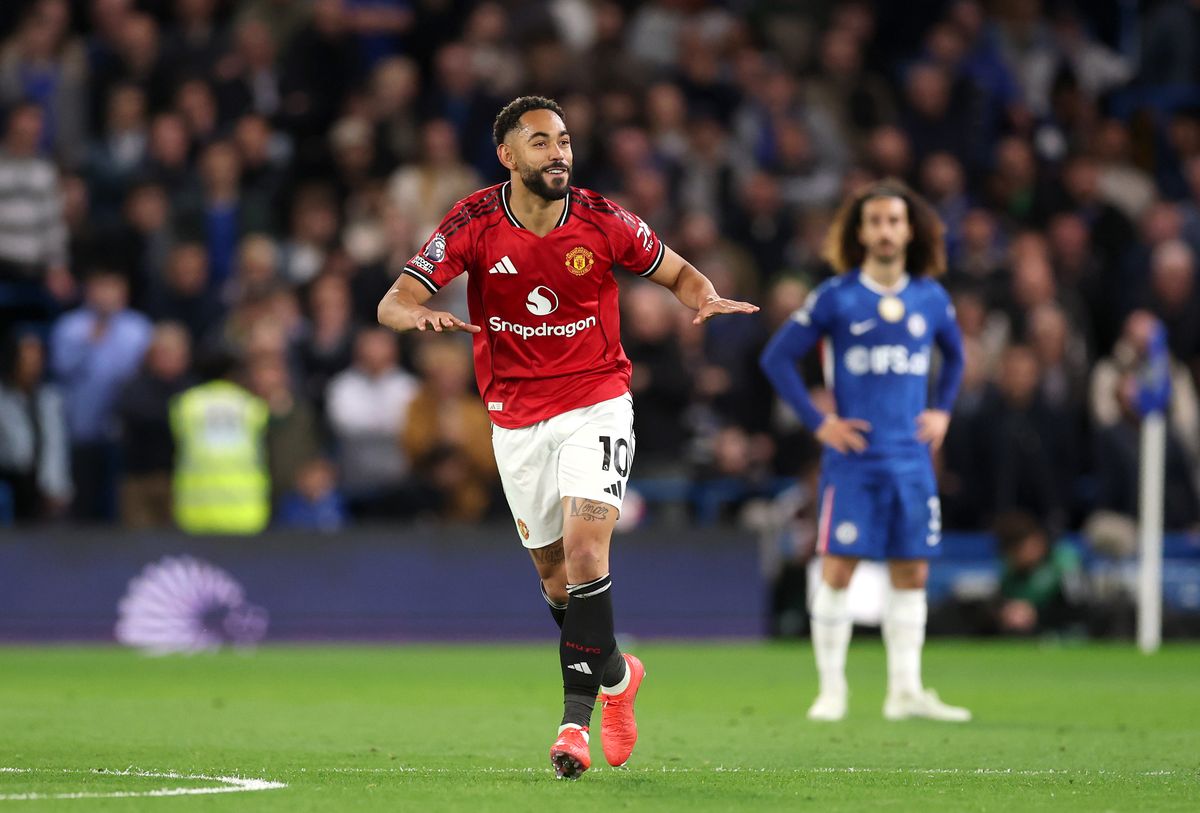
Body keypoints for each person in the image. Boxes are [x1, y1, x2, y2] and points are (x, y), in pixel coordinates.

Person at [376, 95, 758, 779]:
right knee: (557, 583)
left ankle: (573, 725)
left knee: (586, 553)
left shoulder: (602, 218)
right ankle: (617, 674)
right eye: (542, 142)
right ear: (508, 156)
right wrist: (416, 315)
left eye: (565, 141)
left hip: (596, 403)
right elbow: (393, 299)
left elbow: (675, 269)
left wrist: (701, 296)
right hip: (516, 420)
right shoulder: (473, 220)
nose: (559, 153)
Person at [759, 179, 970, 723]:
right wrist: (818, 422)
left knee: (912, 574)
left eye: (894, 221)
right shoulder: (836, 297)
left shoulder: (930, 297)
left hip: (911, 460)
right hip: (854, 461)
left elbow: (956, 356)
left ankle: (906, 692)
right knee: (837, 570)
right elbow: (777, 359)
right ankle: (832, 692)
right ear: (859, 232)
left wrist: (943, 410)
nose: (884, 231)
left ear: (910, 230)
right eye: (874, 221)